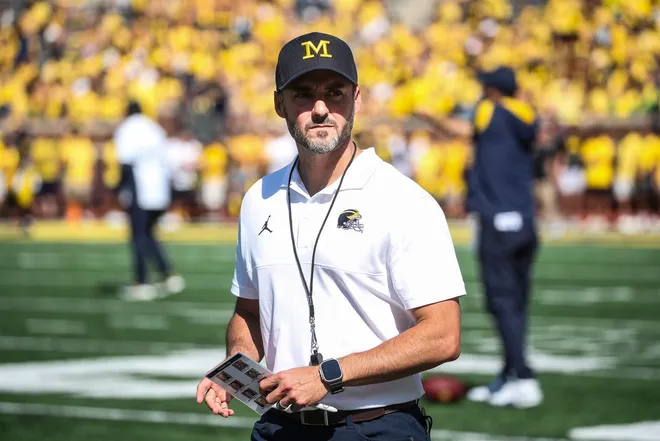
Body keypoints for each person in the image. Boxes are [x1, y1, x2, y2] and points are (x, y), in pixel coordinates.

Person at [195, 32, 466, 441]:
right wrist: (235, 367)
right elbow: (249, 312)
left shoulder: (403, 199)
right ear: (279, 104)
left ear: (357, 99)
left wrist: (329, 376)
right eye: (303, 95)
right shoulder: (258, 199)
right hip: (280, 427)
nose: (321, 109)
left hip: (376, 427)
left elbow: (443, 335)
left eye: (335, 93)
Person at [417, 66, 543, 408]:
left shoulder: (492, 109)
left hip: (498, 223)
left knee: (502, 303)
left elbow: (461, 127)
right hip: (525, 221)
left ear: (493, 90)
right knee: (515, 304)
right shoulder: (525, 113)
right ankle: (510, 374)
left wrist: (431, 118)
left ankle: (523, 377)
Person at [113, 101, 185, 301]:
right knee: (149, 233)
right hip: (159, 187)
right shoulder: (154, 128)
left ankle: (141, 281)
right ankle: (167, 274)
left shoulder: (127, 128)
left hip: (141, 187)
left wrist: (118, 188)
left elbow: (125, 162)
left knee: (138, 234)